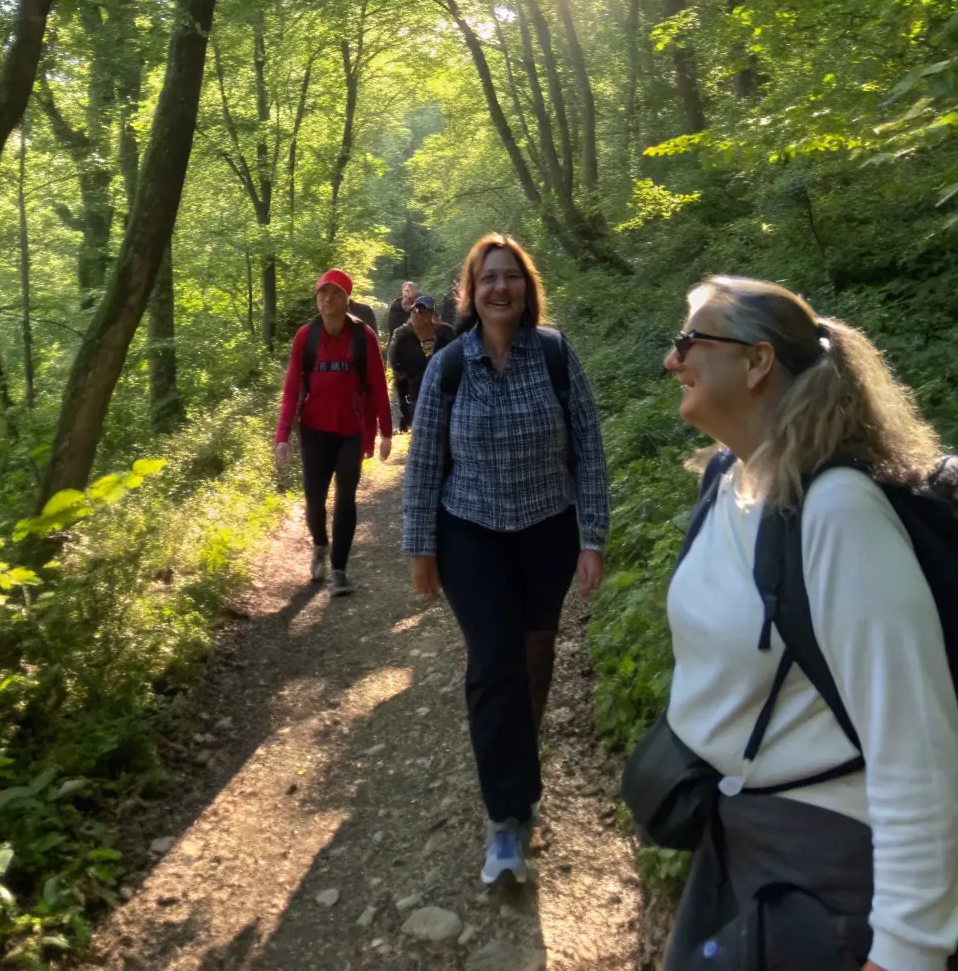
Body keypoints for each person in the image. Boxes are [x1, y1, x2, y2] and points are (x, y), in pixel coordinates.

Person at [659, 276, 958, 971]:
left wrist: (906, 950)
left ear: (758, 362)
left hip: (827, 871)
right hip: (737, 836)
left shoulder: (839, 514)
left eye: (690, 341)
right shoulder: (729, 479)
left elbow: (917, 747)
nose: (673, 361)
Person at [403, 234, 609, 886]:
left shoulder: (554, 354)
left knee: (535, 660)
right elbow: (425, 461)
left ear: (526, 287)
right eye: (488, 278)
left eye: (511, 277)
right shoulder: (449, 366)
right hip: (471, 531)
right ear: (470, 290)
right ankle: (505, 823)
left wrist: (592, 538)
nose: (500, 288)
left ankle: (517, 764)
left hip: (547, 527)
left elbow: (590, 447)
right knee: (494, 662)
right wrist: (421, 548)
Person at [275, 269, 392, 597]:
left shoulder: (363, 336)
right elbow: (291, 389)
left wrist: (385, 431)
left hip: (352, 430)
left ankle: (339, 569)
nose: (327, 299)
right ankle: (320, 546)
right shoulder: (305, 337)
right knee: (314, 501)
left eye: (335, 293)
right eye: (322, 294)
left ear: (347, 299)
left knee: (346, 497)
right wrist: (282, 436)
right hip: (314, 430)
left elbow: (378, 386)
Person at [388, 295, 454, 430]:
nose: (418, 316)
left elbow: (456, 360)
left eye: (424, 313)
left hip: (443, 396)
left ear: (431, 314)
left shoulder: (445, 333)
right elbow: (395, 365)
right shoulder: (401, 335)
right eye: (415, 311)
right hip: (414, 397)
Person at [385, 281, 420, 430]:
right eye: (405, 289)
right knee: (401, 390)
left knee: (416, 388)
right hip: (399, 355)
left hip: (417, 355)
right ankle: (405, 421)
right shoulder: (396, 305)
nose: (407, 292)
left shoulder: (421, 304)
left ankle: (414, 421)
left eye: (410, 289)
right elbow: (393, 327)